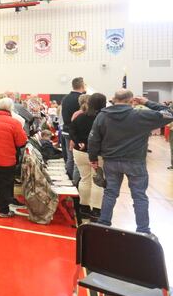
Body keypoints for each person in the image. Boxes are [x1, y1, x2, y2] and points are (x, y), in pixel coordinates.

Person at [89, 90, 173, 234]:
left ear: (114, 99)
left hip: (111, 162)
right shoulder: (141, 115)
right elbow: (170, 113)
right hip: (135, 162)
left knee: (110, 193)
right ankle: (143, 230)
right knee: (139, 196)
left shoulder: (103, 115)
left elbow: (93, 139)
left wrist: (93, 158)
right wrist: (147, 102)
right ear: (131, 101)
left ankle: (104, 224)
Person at [69, 93, 107, 220]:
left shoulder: (80, 117)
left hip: (80, 152)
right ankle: (96, 210)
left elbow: (71, 130)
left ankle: (83, 207)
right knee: (97, 181)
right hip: (98, 153)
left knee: (85, 179)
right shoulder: (104, 118)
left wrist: (79, 141)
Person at [61, 77, 87, 179]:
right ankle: (73, 182)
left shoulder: (66, 98)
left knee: (70, 157)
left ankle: (69, 179)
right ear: (82, 85)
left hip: (66, 129)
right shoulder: (82, 99)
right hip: (75, 132)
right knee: (75, 159)